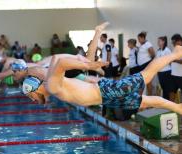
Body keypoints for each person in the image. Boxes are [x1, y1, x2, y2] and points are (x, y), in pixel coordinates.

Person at [15, 23, 182, 115]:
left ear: (35, 88)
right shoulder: (50, 83)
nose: (33, 100)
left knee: (145, 76)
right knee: (143, 102)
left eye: (31, 96)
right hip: (105, 98)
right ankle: (178, 108)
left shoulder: (51, 84)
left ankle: (175, 54)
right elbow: (55, 61)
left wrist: (88, 65)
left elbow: (60, 63)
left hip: (105, 91)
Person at [170, 34, 182, 102]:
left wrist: (174, 60)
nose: (173, 44)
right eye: (172, 43)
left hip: (181, 76)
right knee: (171, 91)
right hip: (173, 75)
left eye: (174, 42)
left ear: (179, 41)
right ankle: (170, 109)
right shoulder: (174, 49)